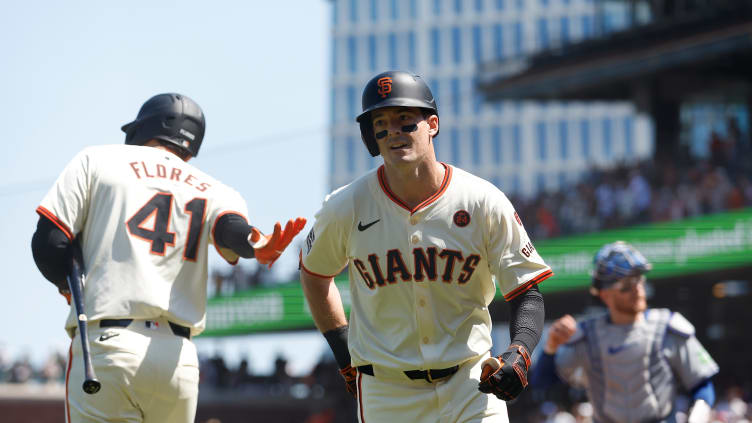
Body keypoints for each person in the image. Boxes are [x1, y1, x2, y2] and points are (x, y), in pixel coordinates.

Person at [31, 93, 306, 422]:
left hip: (109, 346)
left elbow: (50, 243)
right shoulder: (212, 188)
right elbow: (233, 230)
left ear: (142, 128)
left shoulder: (97, 160)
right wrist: (257, 245)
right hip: (178, 361)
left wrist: (67, 286)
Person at [299, 70, 553, 422]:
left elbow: (526, 291)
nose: (394, 133)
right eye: (382, 124)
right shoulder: (346, 206)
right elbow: (314, 274)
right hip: (388, 393)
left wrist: (520, 352)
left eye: (405, 121)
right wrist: (344, 354)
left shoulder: (481, 200)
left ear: (432, 124)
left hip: (471, 383)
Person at [530, 241, 719, 423]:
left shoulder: (667, 326)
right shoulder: (588, 335)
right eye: (626, 285)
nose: (637, 289)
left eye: (639, 280)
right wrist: (551, 346)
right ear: (604, 293)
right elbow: (543, 383)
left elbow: (701, 383)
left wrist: (697, 417)